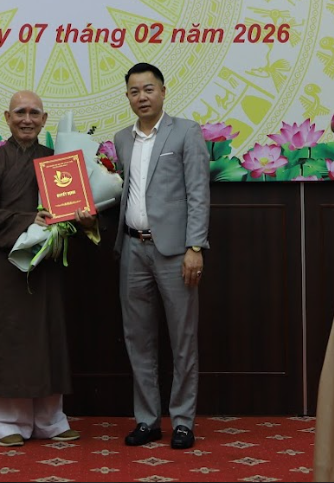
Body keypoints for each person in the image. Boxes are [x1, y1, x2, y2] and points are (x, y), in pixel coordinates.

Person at [0, 90, 87, 447]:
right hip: (9, 267)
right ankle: (6, 424)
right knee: (11, 340)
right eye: (20, 112)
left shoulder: (56, 162)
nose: (27, 119)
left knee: (48, 338)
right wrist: (26, 221)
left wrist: (82, 218)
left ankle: (51, 421)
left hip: (48, 264)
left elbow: (74, 209)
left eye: (35, 113)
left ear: (44, 120)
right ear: (7, 117)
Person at [112, 62, 210, 450]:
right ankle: (148, 420)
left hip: (175, 253)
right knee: (138, 339)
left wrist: (195, 247)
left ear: (163, 91)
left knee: (182, 339)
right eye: (135, 91)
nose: (142, 97)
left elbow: (198, 193)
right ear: (127, 97)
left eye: (149, 89)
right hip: (132, 249)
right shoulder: (122, 139)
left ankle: (183, 421)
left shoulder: (186, 131)